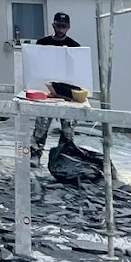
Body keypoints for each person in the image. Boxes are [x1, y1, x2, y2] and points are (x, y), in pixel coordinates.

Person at [30, 11, 81, 165]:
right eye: (58, 25)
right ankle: (35, 154)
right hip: (46, 90)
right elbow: (35, 65)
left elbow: (78, 71)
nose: (60, 29)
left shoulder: (74, 47)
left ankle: (63, 158)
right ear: (53, 25)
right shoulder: (42, 43)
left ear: (69, 28)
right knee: (42, 124)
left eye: (63, 26)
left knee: (68, 128)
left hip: (67, 92)